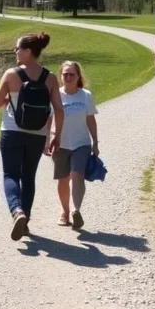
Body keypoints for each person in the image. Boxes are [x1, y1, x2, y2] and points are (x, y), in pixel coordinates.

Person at [0, 33, 65, 241]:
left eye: (18, 49)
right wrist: (56, 136)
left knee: (10, 174)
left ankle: (17, 211)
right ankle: (25, 222)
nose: (15, 52)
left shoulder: (11, 75)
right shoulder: (50, 78)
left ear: (28, 51)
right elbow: (59, 110)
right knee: (28, 177)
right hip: (37, 134)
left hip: (12, 132)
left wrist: (10, 96)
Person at [51, 61, 99, 231]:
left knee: (77, 174)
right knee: (63, 179)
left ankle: (75, 210)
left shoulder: (85, 95)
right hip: (60, 143)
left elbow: (90, 120)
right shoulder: (55, 95)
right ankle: (64, 212)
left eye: (72, 74)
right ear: (61, 76)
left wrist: (95, 142)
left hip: (81, 143)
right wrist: (47, 140)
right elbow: (48, 120)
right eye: (65, 74)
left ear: (78, 76)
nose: (68, 77)